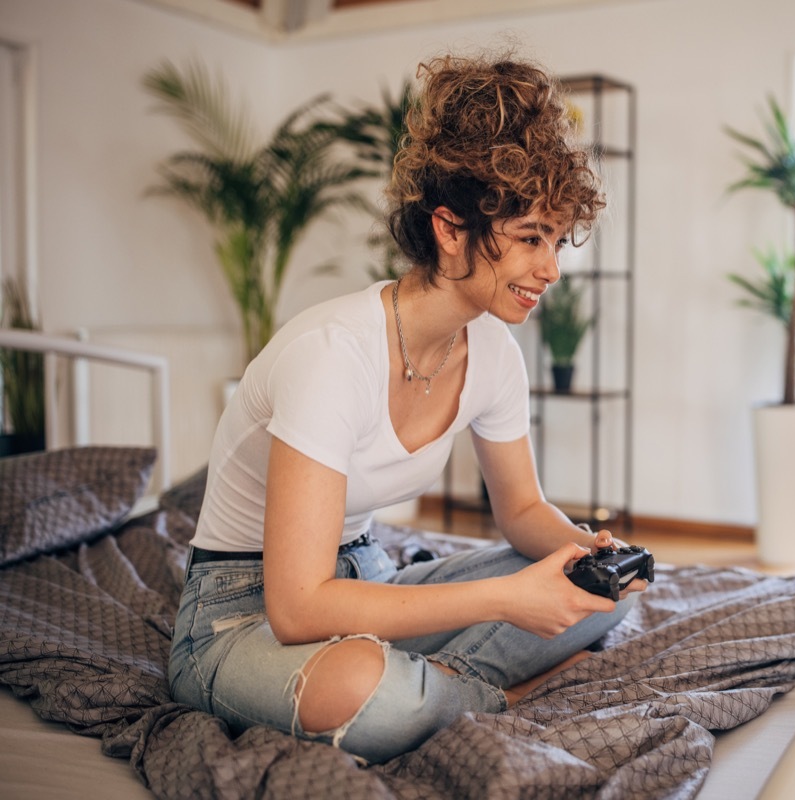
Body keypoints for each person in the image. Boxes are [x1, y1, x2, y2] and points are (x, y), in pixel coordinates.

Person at [168, 51, 645, 765]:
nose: (550, 269)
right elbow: (298, 609)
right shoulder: (333, 353)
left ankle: (439, 688)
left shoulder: (493, 351)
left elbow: (521, 511)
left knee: (609, 590)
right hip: (241, 614)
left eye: (554, 241)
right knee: (365, 688)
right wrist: (508, 601)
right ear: (449, 230)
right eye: (529, 239)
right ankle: (486, 693)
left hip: (370, 579)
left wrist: (587, 552)